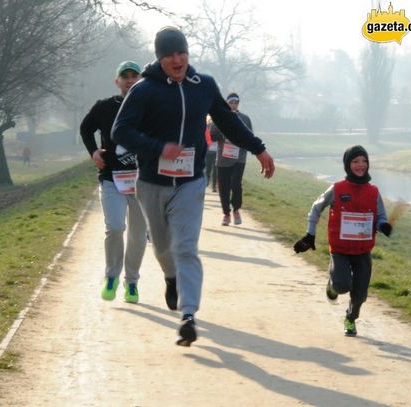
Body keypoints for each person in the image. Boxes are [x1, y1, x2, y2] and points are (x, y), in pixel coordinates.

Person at [112, 27, 275, 346]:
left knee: (185, 246)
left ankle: (188, 315)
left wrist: (259, 148)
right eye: (170, 55)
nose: (177, 59)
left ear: (188, 53)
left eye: (181, 53)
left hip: (190, 181)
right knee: (161, 246)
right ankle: (171, 278)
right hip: (151, 182)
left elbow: (228, 122)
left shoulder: (205, 86)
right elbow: (121, 131)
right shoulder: (144, 90)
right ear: (160, 59)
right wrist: (158, 147)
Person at [293, 145, 393, 336]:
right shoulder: (337, 188)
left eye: (364, 161)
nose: (360, 165)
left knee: (361, 294)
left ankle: (350, 318)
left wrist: (383, 226)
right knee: (342, 285)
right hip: (340, 250)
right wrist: (310, 234)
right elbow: (316, 208)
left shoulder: (373, 192)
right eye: (356, 161)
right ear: (348, 165)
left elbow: (381, 216)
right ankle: (332, 285)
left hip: (363, 251)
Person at [80, 60, 148, 304]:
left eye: (134, 75)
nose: (130, 80)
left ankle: (132, 282)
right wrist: (94, 152)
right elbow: (86, 128)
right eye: (125, 76)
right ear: (117, 81)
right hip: (112, 179)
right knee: (116, 227)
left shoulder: (151, 106)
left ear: (141, 79)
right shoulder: (105, 107)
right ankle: (111, 276)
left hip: (144, 182)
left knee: (139, 238)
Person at [210, 92, 251, 226]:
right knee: (224, 187)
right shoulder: (219, 117)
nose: (233, 105)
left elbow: (250, 136)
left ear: (238, 104)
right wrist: (223, 133)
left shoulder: (245, 118)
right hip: (223, 157)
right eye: (231, 102)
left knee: (236, 184)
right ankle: (226, 213)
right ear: (227, 103)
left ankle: (236, 210)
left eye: (236, 102)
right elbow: (213, 136)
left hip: (239, 157)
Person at [204, 115, 218, 192]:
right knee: (208, 169)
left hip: (217, 151)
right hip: (208, 151)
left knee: (215, 170)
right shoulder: (207, 126)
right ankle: (206, 183)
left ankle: (213, 187)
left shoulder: (220, 126)